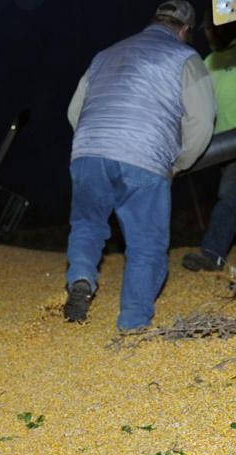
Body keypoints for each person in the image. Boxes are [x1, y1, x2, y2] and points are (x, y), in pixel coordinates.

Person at [63, 0, 216, 330]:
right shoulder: (185, 58)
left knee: (88, 225)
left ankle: (81, 277)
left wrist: (97, 145)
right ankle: (132, 326)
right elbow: (202, 121)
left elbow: (75, 111)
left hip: (88, 151)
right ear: (185, 29)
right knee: (146, 245)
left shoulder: (105, 54)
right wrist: (179, 162)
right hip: (143, 156)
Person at [182, 10, 236, 272]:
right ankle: (213, 254)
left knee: (230, 195)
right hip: (227, 148)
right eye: (206, 29)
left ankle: (213, 253)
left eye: (212, 29)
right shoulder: (210, 61)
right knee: (230, 195)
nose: (208, 34)